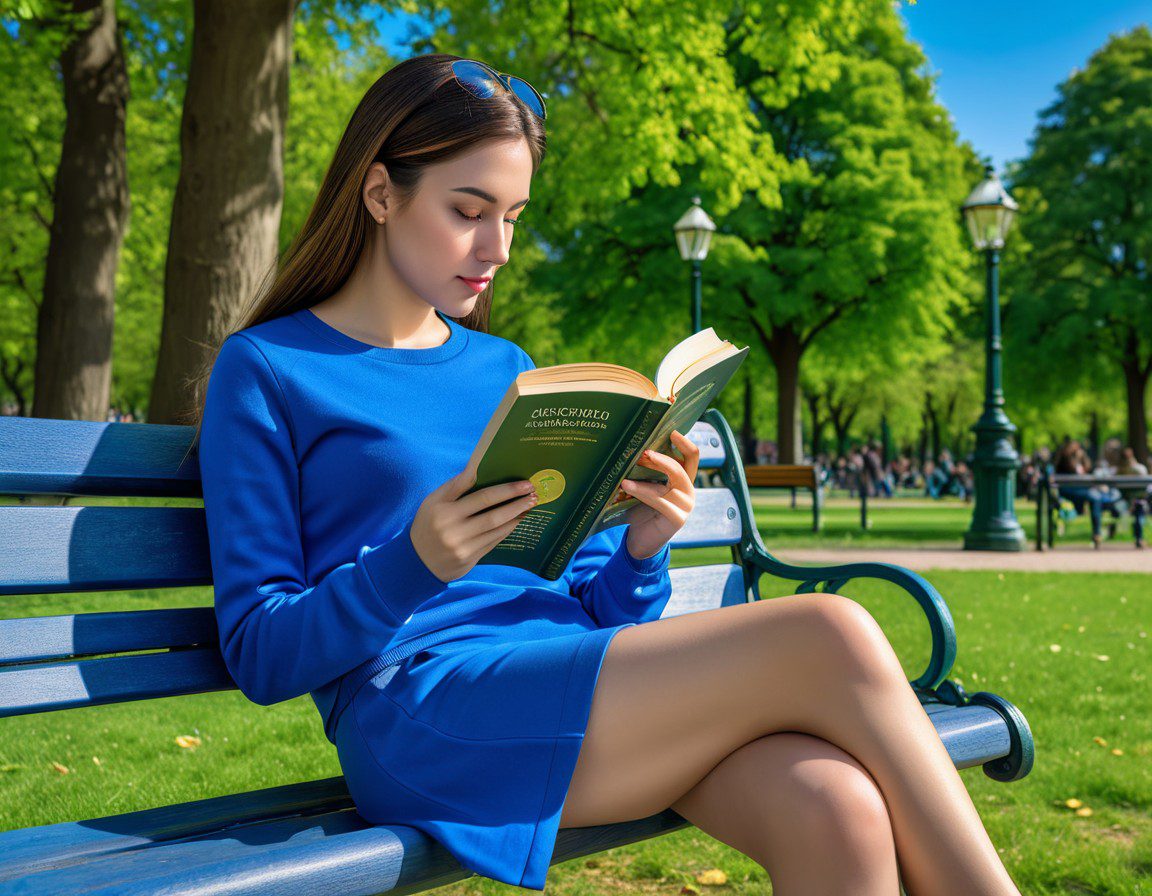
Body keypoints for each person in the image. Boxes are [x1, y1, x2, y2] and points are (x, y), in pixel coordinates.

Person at [191, 54, 1023, 896]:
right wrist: (415, 562)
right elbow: (260, 654)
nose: (499, 248)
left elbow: (596, 605)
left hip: (568, 675)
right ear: (379, 194)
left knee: (833, 803)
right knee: (830, 634)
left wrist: (641, 550)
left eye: (513, 216)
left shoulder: (506, 367)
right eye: (468, 211)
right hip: (421, 709)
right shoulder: (268, 368)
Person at [1117, 447, 1150, 549]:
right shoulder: (1121, 470)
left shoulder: (1138, 468)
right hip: (1126, 500)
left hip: (1137, 499)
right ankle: (1139, 538)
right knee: (1138, 512)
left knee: (1138, 510)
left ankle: (1139, 539)